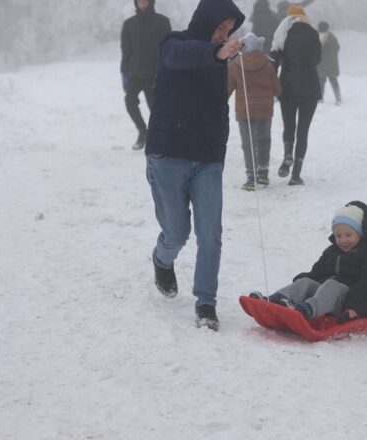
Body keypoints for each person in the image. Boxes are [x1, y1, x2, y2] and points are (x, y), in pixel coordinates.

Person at [144, 0, 244, 331]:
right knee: (177, 232)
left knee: (210, 233)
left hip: (207, 158)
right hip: (167, 153)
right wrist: (216, 53)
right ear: (205, 20)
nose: (223, 34)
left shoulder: (220, 59)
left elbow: (217, 105)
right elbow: (182, 57)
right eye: (220, 27)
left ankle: (206, 303)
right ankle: (162, 259)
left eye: (228, 31)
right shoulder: (173, 43)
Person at [249, 201, 367, 321]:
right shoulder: (331, 252)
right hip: (326, 298)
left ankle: (306, 310)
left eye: (348, 235)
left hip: (352, 303)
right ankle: (275, 301)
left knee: (333, 285)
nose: (343, 240)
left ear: (361, 232)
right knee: (306, 282)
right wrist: (300, 282)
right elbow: (316, 273)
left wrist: (355, 306)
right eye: (338, 236)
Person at [270, 5, 321, 186]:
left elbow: (273, 62)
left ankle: (288, 155)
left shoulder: (282, 35)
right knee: (303, 130)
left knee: (289, 125)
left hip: (288, 88)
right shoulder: (313, 34)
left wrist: (272, 85)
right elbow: (317, 60)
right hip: (310, 89)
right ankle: (296, 175)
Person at [227, 33, 282, 191]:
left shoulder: (235, 65)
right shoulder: (268, 64)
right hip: (265, 109)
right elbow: (277, 88)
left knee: (248, 143)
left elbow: (228, 89)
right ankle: (263, 174)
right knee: (264, 141)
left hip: (244, 111)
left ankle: (251, 177)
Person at [120, 0, 171, 150]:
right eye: (139, 1)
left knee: (154, 108)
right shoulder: (129, 24)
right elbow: (126, 50)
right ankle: (143, 132)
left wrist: (167, 71)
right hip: (134, 73)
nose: (142, 4)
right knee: (129, 102)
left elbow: (168, 48)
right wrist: (124, 72)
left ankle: (159, 138)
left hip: (154, 74)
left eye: (145, 1)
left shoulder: (162, 21)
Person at [317, 21, 342, 105]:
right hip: (331, 64)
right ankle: (338, 97)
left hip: (321, 64)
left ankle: (320, 98)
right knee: (333, 80)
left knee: (321, 81)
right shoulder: (332, 38)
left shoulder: (317, 37)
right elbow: (337, 48)